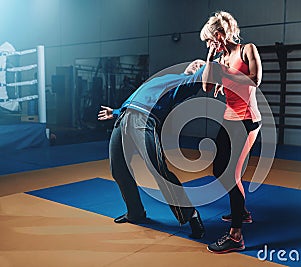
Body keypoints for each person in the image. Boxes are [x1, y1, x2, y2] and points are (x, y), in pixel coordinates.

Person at [98, 59, 206, 239]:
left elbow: (208, 70)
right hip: (124, 118)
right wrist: (115, 112)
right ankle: (135, 213)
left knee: (158, 169)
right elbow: (140, 97)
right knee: (118, 169)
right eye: (195, 62)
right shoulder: (168, 77)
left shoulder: (187, 84)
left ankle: (191, 216)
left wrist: (211, 56)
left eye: (200, 65)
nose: (196, 64)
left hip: (145, 120)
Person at [200, 11, 263, 253]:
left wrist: (226, 75)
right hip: (228, 120)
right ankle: (242, 212)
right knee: (218, 169)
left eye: (208, 41)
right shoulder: (220, 60)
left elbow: (255, 80)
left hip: (247, 121)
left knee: (231, 174)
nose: (209, 45)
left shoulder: (247, 49)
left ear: (218, 35)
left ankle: (236, 236)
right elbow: (207, 86)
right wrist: (209, 59)